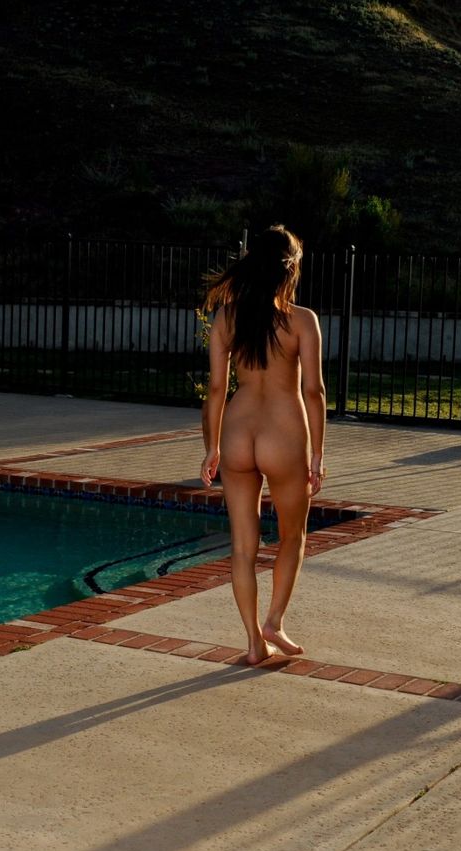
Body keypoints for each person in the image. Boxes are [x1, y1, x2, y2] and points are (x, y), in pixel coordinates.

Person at [200, 225, 326, 665]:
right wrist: (317, 454)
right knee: (293, 535)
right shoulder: (302, 320)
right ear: (290, 270)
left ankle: (254, 642)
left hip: (237, 433)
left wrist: (212, 447)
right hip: (283, 435)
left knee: (242, 548)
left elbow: (217, 390)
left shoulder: (228, 318)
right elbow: (314, 392)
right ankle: (274, 622)